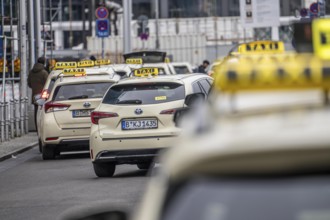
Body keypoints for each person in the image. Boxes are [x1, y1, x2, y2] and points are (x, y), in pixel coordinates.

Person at [28, 57, 48, 129]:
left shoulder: (31, 72)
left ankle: (37, 128)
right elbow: (48, 84)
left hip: (35, 94)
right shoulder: (44, 72)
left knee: (36, 112)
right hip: (43, 95)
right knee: (44, 111)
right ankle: (43, 127)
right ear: (44, 63)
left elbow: (29, 83)